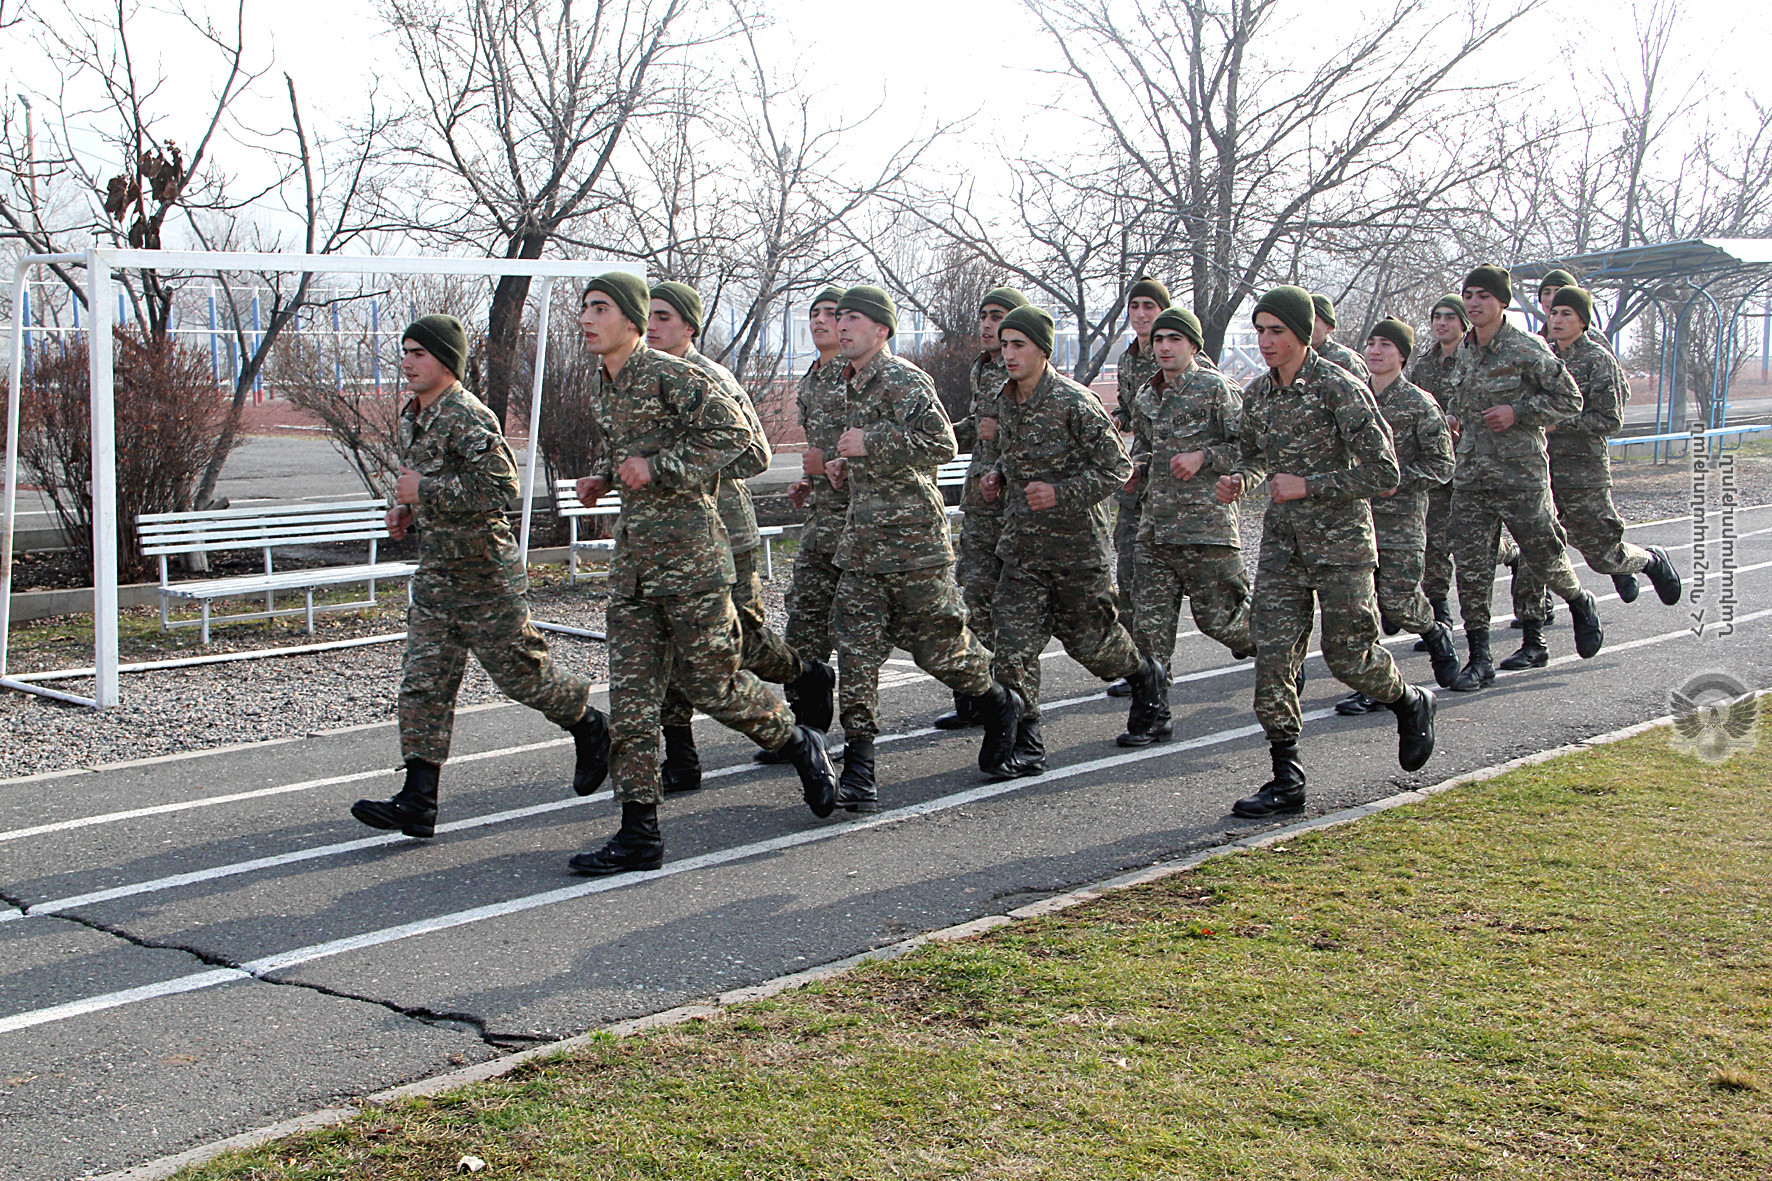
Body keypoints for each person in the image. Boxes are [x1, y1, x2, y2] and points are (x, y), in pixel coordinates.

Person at [566, 272, 837, 876]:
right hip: (635, 565)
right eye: (583, 307)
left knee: (715, 685)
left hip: (692, 561)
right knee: (635, 702)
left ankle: (800, 743)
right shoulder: (604, 385)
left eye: (600, 308)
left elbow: (741, 440)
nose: (587, 318)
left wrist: (657, 467)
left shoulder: (677, 376)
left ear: (632, 320)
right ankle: (639, 832)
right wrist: (607, 477)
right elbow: (633, 452)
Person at [351, 315, 608, 839]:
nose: (406, 363)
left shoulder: (469, 415)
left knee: (521, 676)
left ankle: (588, 724)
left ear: (446, 359)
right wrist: (403, 509)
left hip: (484, 576)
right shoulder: (413, 417)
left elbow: (499, 489)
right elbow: (418, 481)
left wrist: (424, 492)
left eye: (418, 353)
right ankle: (418, 800)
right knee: (423, 683)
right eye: (404, 352)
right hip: (437, 576)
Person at [1215, 286, 1437, 819]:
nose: (1266, 341)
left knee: (1348, 657)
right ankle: (1285, 777)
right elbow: (1252, 456)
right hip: (1284, 548)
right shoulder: (1259, 395)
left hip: (1342, 545)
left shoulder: (1341, 388)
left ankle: (1409, 701)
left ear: (1301, 331)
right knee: (1274, 657)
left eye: (1277, 331)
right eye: (1261, 330)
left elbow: (1384, 473)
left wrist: (1310, 485)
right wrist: (1240, 480)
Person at [825, 285, 1022, 807]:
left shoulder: (903, 379)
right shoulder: (851, 382)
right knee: (857, 650)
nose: (842, 326)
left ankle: (1000, 702)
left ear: (882, 330)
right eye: (839, 317)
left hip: (915, 545)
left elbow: (942, 444)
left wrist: (872, 444)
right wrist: (850, 462)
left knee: (940, 651)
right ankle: (860, 767)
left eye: (855, 319)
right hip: (864, 546)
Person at [644, 282, 835, 784]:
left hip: (724, 532)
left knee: (742, 641)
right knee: (665, 643)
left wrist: (687, 462)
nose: (651, 325)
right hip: (664, 540)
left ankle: (805, 674)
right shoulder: (638, 380)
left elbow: (756, 454)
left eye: (663, 316)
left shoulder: (711, 378)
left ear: (689, 326)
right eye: (647, 315)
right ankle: (680, 756)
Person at [981, 304, 1164, 773]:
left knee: (1093, 645)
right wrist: (999, 474)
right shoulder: (1005, 398)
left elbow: (1117, 468)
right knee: (1012, 645)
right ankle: (1027, 738)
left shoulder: (1074, 401)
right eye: (1004, 345)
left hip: (1077, 551)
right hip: (1022, 549)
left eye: (1018, 345)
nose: (1008, 354)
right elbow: (1013, 453)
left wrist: (1060, 493)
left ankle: (1146, 679)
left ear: (1043, 350)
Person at [1498, 286, 1681, 670]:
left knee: (1602, 555)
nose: (1558, 319)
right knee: (1535, 548)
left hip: (1583, 472)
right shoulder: (1540, 357)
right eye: (1554, 313)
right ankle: (1534, 640)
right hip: (1538, 470)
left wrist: (1557, 422)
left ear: (1583, 320)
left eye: (1567, 313)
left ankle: (1649, 561)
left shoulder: (1597, 360)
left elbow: (1610, 420)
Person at [1444, 265, 1605, 692]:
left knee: (1544, 553)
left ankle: (1578, 600)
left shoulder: (1526, 347)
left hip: (1521, 474)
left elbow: (1569, 399)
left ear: (1502, 302)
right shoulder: (1464, 349)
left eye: (1484, 295)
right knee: (1472, 566)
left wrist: (1519, 413)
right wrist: (1457, 419)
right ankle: (1479, 658)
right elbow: (1465, 399)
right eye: (1469, 294)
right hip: (1472, 475)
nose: (1474, 302)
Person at [1121, 305, 1254, 747]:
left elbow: (1252, 448)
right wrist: (1134, 469)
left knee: (1222, 622)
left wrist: (1205, 458)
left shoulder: (1217, 389)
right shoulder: (1146, 394)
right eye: (1158, 340)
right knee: (1149, 628)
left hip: (1206, 529)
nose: (1163, 347)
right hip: (1154, 530)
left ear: (1193, 345)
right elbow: (1142, 446)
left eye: (1173, 339)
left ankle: (1279, 655)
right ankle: (1152, 712)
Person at [1334, 317, 1460, 715]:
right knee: (1361, 605)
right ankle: (1373, 683)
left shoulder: (1420, 403)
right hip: (1356, 520)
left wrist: (1398, 482)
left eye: (1385, 344)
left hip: (1401, 521)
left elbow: (1442, 464)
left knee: (1399, 602)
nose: (1375, 350)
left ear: (1402, 355)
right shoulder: (1350, 398)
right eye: (1371, 342)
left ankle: (1434, 631)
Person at [938, 285, 1028, 731]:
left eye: (998, 316)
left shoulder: (1023, 368)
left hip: (1016, 505)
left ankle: (1011, 702)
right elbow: (978, 426)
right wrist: (943, 435)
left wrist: (1001, 430)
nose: (988, 325)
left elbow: (1036, 429)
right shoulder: (983, 369)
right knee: (972, 596)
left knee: (1012, 606)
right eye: (984, 316)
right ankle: (974, 697)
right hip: (980, 502)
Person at [779, 287, 850, 738]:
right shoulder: (812, 377)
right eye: (815, 314)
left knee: (885, 625)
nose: (821, 321)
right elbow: (818, 446)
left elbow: (869, 444)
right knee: (803, 616)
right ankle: (808, 727)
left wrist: (831, 463)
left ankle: (987, 697)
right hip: (822, 517)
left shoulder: (859, 374)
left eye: (831, 313)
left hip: (863, 521)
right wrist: (808, 480)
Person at [1105, 276, 1170, 698]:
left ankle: (1267, 650)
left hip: (1172, 481)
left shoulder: (1179, 355)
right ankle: (1142, 668)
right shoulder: (1128, 360)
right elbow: (1132, 410)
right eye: (1135, 307)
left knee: (1172, 581)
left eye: (1150, 306)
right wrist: (1117, 417)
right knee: (1128, 567)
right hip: (1135, 476)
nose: (1142, 314)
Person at [1310, 294, 1373, 383]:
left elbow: (1362, 394)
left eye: (1314, 320)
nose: (1307, 325)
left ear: (1329, 327)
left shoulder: (1346, 360)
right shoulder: (1293, 358)